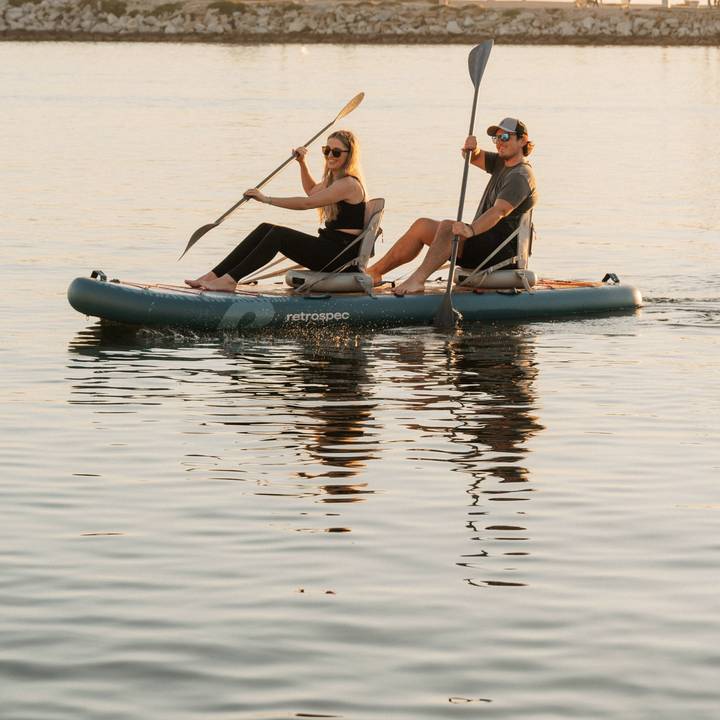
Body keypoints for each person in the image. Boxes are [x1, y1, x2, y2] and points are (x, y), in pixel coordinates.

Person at [367, 117, 537, 295]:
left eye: (505, 138)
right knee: (421, 226)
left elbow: (499, 211)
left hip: (497, 254)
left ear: (523, 140)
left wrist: (469, 230)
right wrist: (472, 149)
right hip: (480, 245)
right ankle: (374, 273)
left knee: (449, 227)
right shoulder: (502, 163)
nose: (499, 143)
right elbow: (473, 157)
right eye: (496, 138)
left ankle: (417, 280)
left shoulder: (520, 176)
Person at [186, 129, 366, 292]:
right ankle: (212, 276)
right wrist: (302, 163)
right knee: (265, 228)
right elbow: (312, 191)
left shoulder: (348, 184)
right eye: (326, 150)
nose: (330, 156)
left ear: (349, 156)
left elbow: (307, 203)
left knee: (278, 235)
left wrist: (267, 199)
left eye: (336, 152)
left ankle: (230, 280)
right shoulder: (334, 181)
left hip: (341, 257)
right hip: (330, 249)